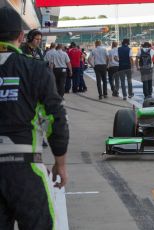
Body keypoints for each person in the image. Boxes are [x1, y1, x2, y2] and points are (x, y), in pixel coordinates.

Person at [0, 7, 69, 229]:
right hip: (25, 168)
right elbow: (54, 117)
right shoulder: (35, 69)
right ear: (21, 36)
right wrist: (60, 162)